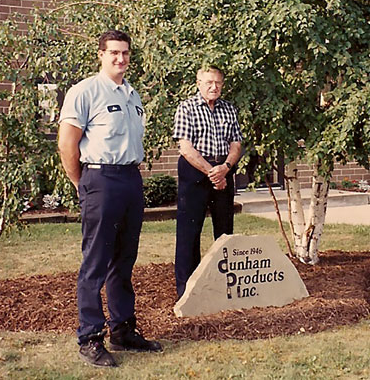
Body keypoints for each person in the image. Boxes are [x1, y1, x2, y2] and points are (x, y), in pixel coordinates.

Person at [58, 30, 162, 368]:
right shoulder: (85, 91)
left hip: (130, 179)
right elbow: (67, 144)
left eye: (126, 53)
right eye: (114, 53)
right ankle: (90, 337)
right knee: (95, 264)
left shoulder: (133, 95)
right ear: (101, 54)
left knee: (124, 260)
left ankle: (123, 330)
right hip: (100, 178)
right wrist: (82, 183)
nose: (121, 59)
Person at [173, 66, 243, 298]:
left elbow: (236, 144)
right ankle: (187, 291)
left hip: (224, 170)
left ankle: (224, 286)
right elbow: (185, 148)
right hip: (195, 173)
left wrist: (226, 168)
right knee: (189, 233)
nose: (214, 87)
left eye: (218, 83)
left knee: (224, 232)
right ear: (198, 83)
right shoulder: (187, 107)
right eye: (209, 82)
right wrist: (211, 173)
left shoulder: (229, 109)